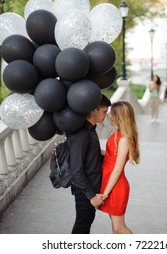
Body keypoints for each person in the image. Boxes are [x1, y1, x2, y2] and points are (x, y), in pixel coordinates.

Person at [68, 94, 112, 234]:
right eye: (104, 112)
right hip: (85, 192)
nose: (106, 115)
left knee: (85, 225)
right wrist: (91, 196)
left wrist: (98, 153)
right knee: (82, 227)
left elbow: (84, 157)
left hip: (90, 189)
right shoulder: (82, 135)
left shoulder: (90, 131)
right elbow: (76, 170)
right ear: (93, 110)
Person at [98, 101, 140, 234]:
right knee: (115, 227)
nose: (109, 116)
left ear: (120, 116)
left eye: (112, 114)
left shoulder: (124, 139)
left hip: (115, 186)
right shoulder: (118, 133)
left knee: (119, 228)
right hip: (109, 182)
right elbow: (111, 156)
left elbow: (117, 170)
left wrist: (105, 193)